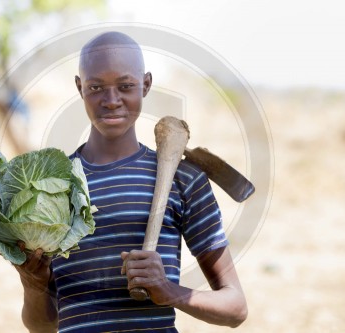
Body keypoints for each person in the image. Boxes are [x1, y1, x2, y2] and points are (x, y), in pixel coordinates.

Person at [13, 31, 248, 333]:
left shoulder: (183, 179)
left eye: (125, 86)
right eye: (96, 87)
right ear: (79, 87)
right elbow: (42, 327)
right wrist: (33, 285)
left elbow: (235, 308)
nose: (112, 101)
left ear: (146, 84)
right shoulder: (52, 189)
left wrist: (169, 291)